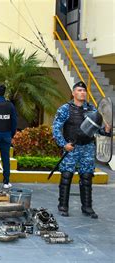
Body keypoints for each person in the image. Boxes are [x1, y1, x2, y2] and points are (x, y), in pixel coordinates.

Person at [52, 81, 111, 218]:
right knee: (66, 176)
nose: (82, 93)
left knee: (86, 177)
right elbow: (55, 128)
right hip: (71, 147)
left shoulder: (92, 110)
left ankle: (87, 207)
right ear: (73, 93)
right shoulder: (65, 109)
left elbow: (96, 130)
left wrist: (105, 130)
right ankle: (63, 206)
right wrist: (63, 144)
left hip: (87, 148)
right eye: (79, 90)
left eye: (84, 91)